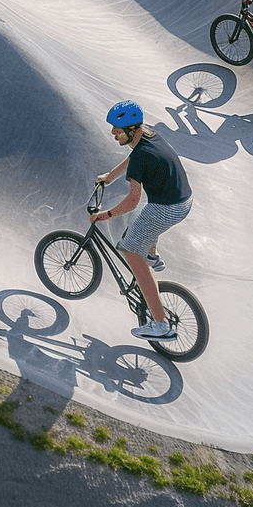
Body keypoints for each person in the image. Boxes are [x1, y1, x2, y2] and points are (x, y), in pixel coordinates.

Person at [93, 100, 193, 340]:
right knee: (141, 222)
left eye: (117, 130)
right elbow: (133, 159)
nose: (112, 133)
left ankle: (161, 325)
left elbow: (131, 202)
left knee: (129, 251)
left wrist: (104, 215)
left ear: (130, 131)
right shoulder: (149, 135)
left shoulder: (141, 154)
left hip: (167, 208)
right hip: (183, 200)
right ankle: (151, 255)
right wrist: (110, 177)